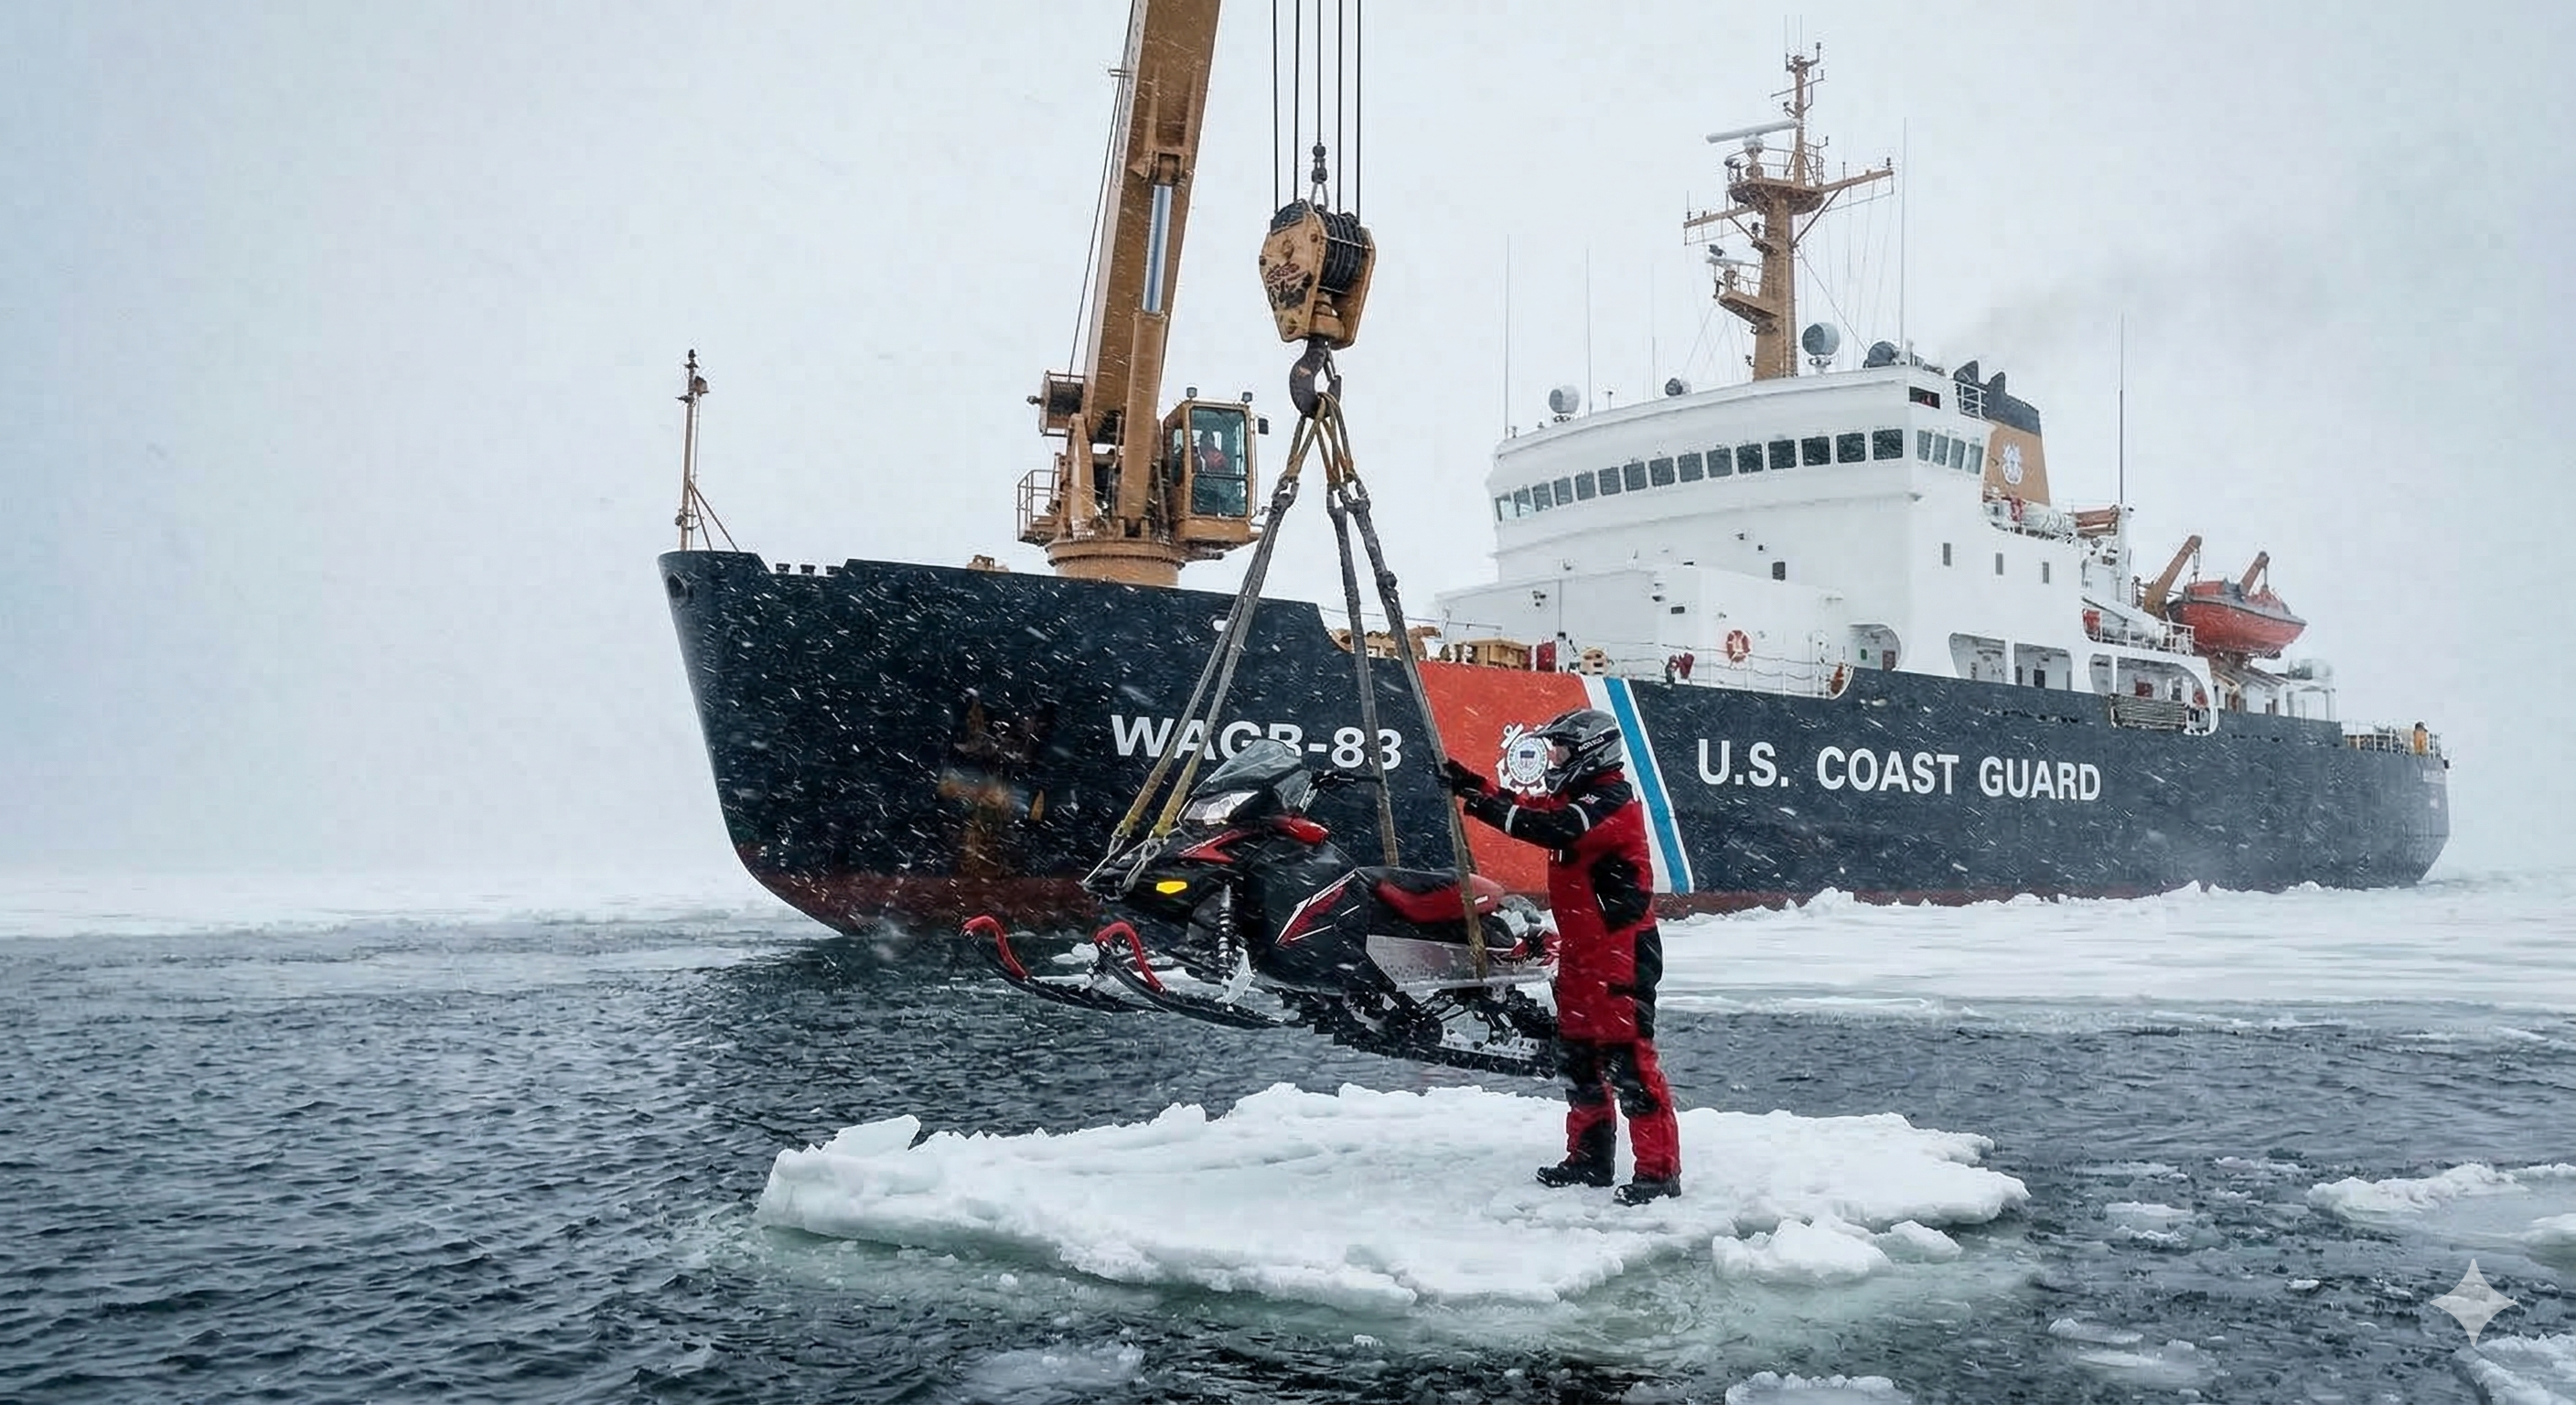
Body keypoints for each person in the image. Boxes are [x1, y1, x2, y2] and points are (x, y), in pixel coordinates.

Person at [1441, 708, 1681, 1205]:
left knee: (1629, 1065)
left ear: (1590, 753)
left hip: (1621, 954)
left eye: (1561, 749)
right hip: (1581, 954)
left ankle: (1659, 1174)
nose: (1553, 757)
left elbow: (1550, 827)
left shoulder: (1609, 802)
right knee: (1578, 1062)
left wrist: (1482, 804)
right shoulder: (1576, 799)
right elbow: (1535, 810)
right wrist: (1477, 787)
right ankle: (1589, 1160)